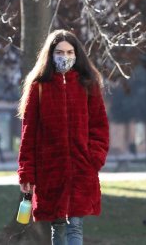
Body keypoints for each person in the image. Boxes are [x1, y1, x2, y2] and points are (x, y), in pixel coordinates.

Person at [17, 29, 110, 245]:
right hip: (50, 169)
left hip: (81, 168)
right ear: (50, 55)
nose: (65, 56)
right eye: (59, 52)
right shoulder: (38, 87)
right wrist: (26, 173)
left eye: (69, 52)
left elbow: (100, 127)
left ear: (77, 54)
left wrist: (93, 157)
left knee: (75, 225)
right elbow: (28, 133)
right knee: (58, 226)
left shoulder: (89, 85)